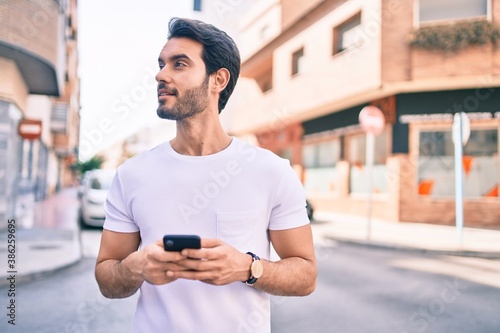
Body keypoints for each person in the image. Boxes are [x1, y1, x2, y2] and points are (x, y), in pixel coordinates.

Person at [95, 17, 317, 333]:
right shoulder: (132, 174)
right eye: (161, 64)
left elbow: (306, 275)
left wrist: (248, 268)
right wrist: (135, 268)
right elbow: (107, 277)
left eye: (179, 64)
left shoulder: (271, 172)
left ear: (218, 80)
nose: (160, 75)